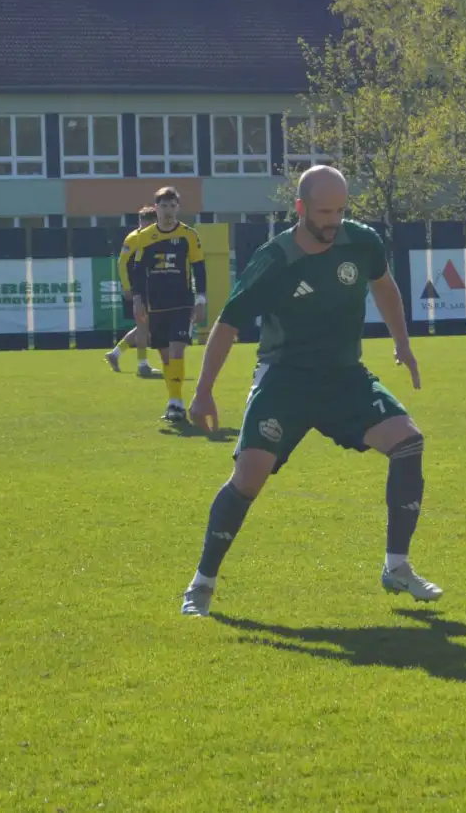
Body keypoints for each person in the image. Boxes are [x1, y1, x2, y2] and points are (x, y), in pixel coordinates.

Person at [180, 165, 440, 618]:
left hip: (344, 377)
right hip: (285, 380)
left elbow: (384, 285)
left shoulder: (361, 242)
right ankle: (202, 583)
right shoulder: (274, 260)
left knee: (407, 441)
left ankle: (396, 566)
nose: (333, 221)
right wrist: (203, 392)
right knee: (248, 479)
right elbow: (228, 324)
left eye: (340, 210)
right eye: (324, 211)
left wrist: (402, 343)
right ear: (300, 208)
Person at [128, 188, 207, 422]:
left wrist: (201, 300)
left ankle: (175, 403)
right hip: (156, 305)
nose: (168, 211)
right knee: (164, 357)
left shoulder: (188, 235)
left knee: (176, 351)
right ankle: (175, 401)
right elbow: (138, 271)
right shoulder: (145, 237)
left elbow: (199, 269)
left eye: (173, 206)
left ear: (178, 208)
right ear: (156, 208)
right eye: (164, 206)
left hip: (182, 304)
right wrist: (138, 300)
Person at [108, 205, 161, 377]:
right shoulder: (134, 238)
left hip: (150, 286)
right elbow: (122, 263)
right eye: (144, 222)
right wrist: (126, 286)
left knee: (144, 325)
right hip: (138, 287)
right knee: (144, 324)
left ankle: (116, 354)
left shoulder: (154, 237)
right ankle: (142, 364)